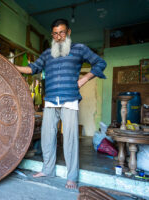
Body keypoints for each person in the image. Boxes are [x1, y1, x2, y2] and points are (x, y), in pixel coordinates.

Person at [15, 19, 106, 189]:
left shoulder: (79, 49)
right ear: (52, 35)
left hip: (69, 100)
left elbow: (101, 63)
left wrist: (84, 79)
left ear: (68, 32)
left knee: (70, 140)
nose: (59, 37)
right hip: (50, 101)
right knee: (47, 138)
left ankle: (72, 176)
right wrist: (12, 67)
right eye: (56, 34)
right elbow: (33, 68)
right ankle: (48, 170)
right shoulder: (47, 53)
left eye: (62, 32)